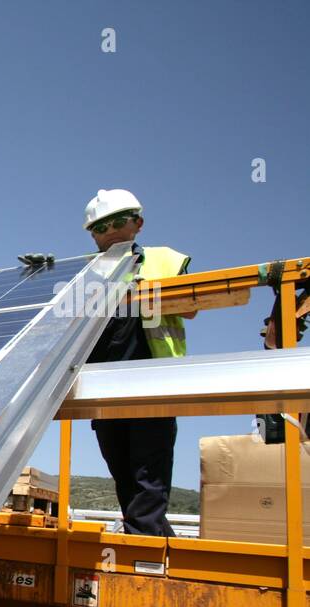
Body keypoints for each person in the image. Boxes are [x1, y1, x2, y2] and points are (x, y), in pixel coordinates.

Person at [82, 189, 195, 536]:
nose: (111, 231)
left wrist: (146, 293)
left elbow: (191, 307)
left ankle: (144, 551)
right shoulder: (84, 273)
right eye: (101, 227)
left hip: (151, 385)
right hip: (103, 391)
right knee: (122, 473)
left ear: (138, 224)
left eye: (119, 222)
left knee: (149, 473)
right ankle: (150, 540)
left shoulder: (164, 260)